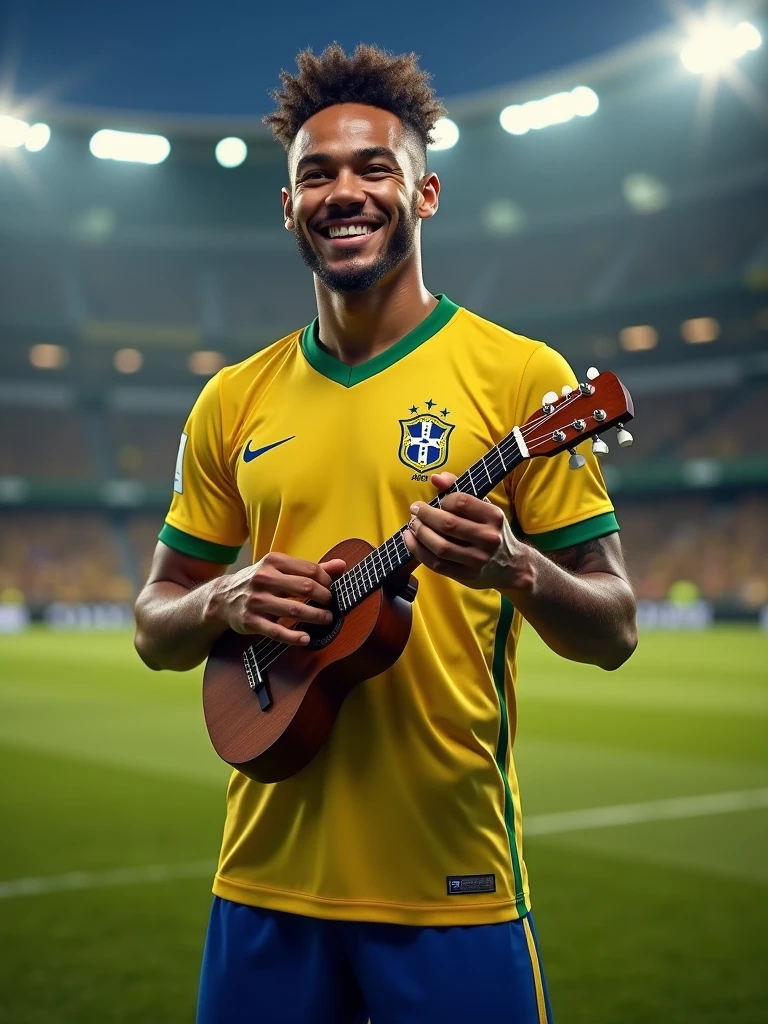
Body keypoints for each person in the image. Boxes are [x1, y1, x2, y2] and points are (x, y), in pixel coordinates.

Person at [134, 42, 638, 1024]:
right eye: (315, 174)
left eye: (375, 167)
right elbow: (156, 624)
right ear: (288, 207)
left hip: (453, 883)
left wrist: (517, 568)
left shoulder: (520, 376)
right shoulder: (230, 399)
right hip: (262, 879)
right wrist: (220, 598)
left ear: (426, 193)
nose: (344, 190)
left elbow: (614, 626)